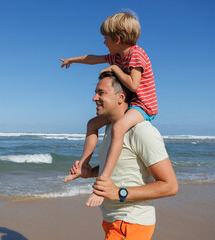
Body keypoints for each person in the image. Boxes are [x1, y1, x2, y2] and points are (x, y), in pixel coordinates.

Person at [60, 11, 158, 207]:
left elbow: (133, 85)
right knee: (92, 124)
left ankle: (103, 181)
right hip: (129, 104)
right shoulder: (116, 55)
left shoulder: (136, 54)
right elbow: (92, 58)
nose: (104, 42)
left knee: (119, 128)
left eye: (105, 38)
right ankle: (84, 165)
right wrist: (72, 60)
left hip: (143, 106)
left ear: (118, 39)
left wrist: (114, 70)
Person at [68, 71, 178, 240]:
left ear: (120, 97)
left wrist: (119, 193)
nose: (94, 98)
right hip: (112, 220)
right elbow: (119, 167)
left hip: (131, 223)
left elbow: (170, 186)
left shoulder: (142, 131)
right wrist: (89, 173)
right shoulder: (110, 128)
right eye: (95, 92)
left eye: (101, 93)